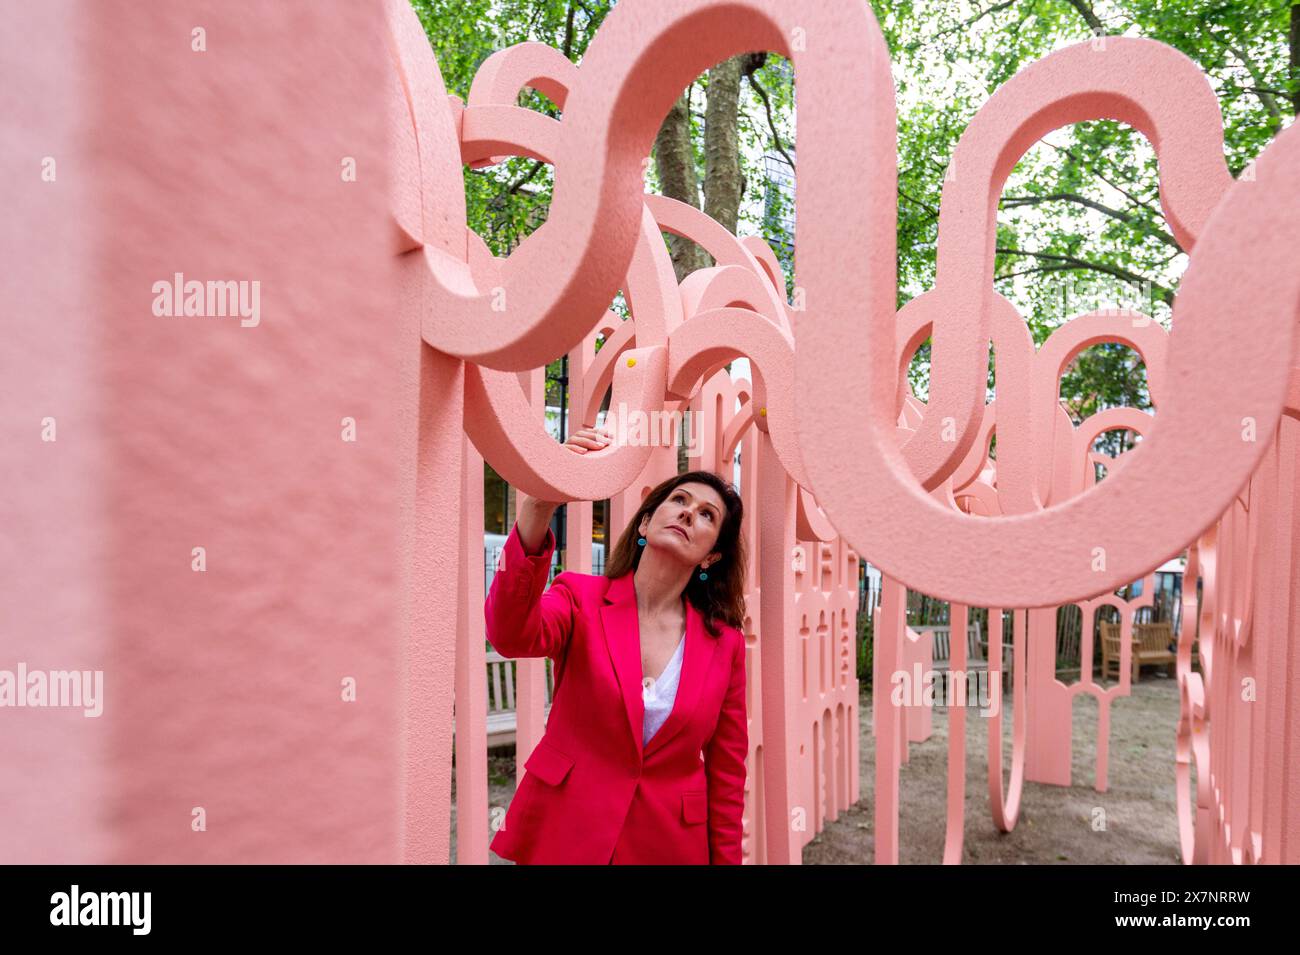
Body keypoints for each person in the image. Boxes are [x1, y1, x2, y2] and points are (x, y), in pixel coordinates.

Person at [485, 426, 749, 865]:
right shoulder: (579, 598)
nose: (688, 514)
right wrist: (538, 506)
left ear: (711, 557)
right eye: (679, 500)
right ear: (646, 522)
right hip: (564, 829)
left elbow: (726, 773)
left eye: (707, 515)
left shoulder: (726, 646)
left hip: (665, 845)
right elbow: (510, 634)